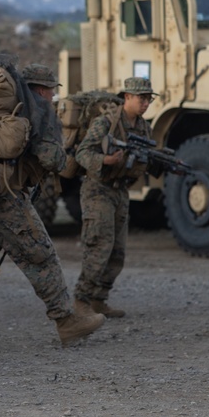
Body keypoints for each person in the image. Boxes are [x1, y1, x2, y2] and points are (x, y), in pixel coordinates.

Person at [0, 61, 104, 352]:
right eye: (51, 91)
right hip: (4, 196)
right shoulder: (35, 111)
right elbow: (55, 162)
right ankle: (66, 321)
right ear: (41, 89)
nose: (52, 97)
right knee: (40, 255)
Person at [73, 76, 155, 318]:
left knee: (118, 250)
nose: (146, 103)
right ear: (127, 97)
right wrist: (105, 160)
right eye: (142, 98)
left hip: (121, 190)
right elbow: (82, 153)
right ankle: (81, 299)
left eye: (149, 99)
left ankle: (99, 299)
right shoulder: (105, 123)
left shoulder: (144, 128)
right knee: (99, 244)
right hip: (98, 188)